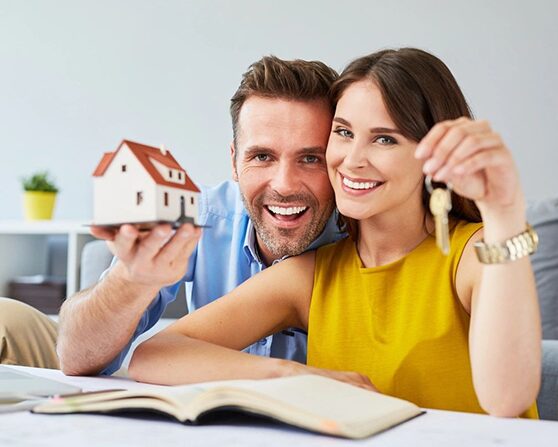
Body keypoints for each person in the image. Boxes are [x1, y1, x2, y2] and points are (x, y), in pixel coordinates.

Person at [128, 48, 541, 418]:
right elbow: (155, 355)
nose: (351, 160)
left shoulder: (475, 254)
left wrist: (503, 211)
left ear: (431, 154)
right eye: (343, 133)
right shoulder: (311, 276)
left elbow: (507, 399)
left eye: (384, 138)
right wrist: (290, 375)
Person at [0, 56, 342, 375]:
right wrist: (131, 279)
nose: (284, 185)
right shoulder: (199, 214)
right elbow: (76, 358)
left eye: (311, 159)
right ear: (235, 161)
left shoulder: (363, 236)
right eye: (262, 156)